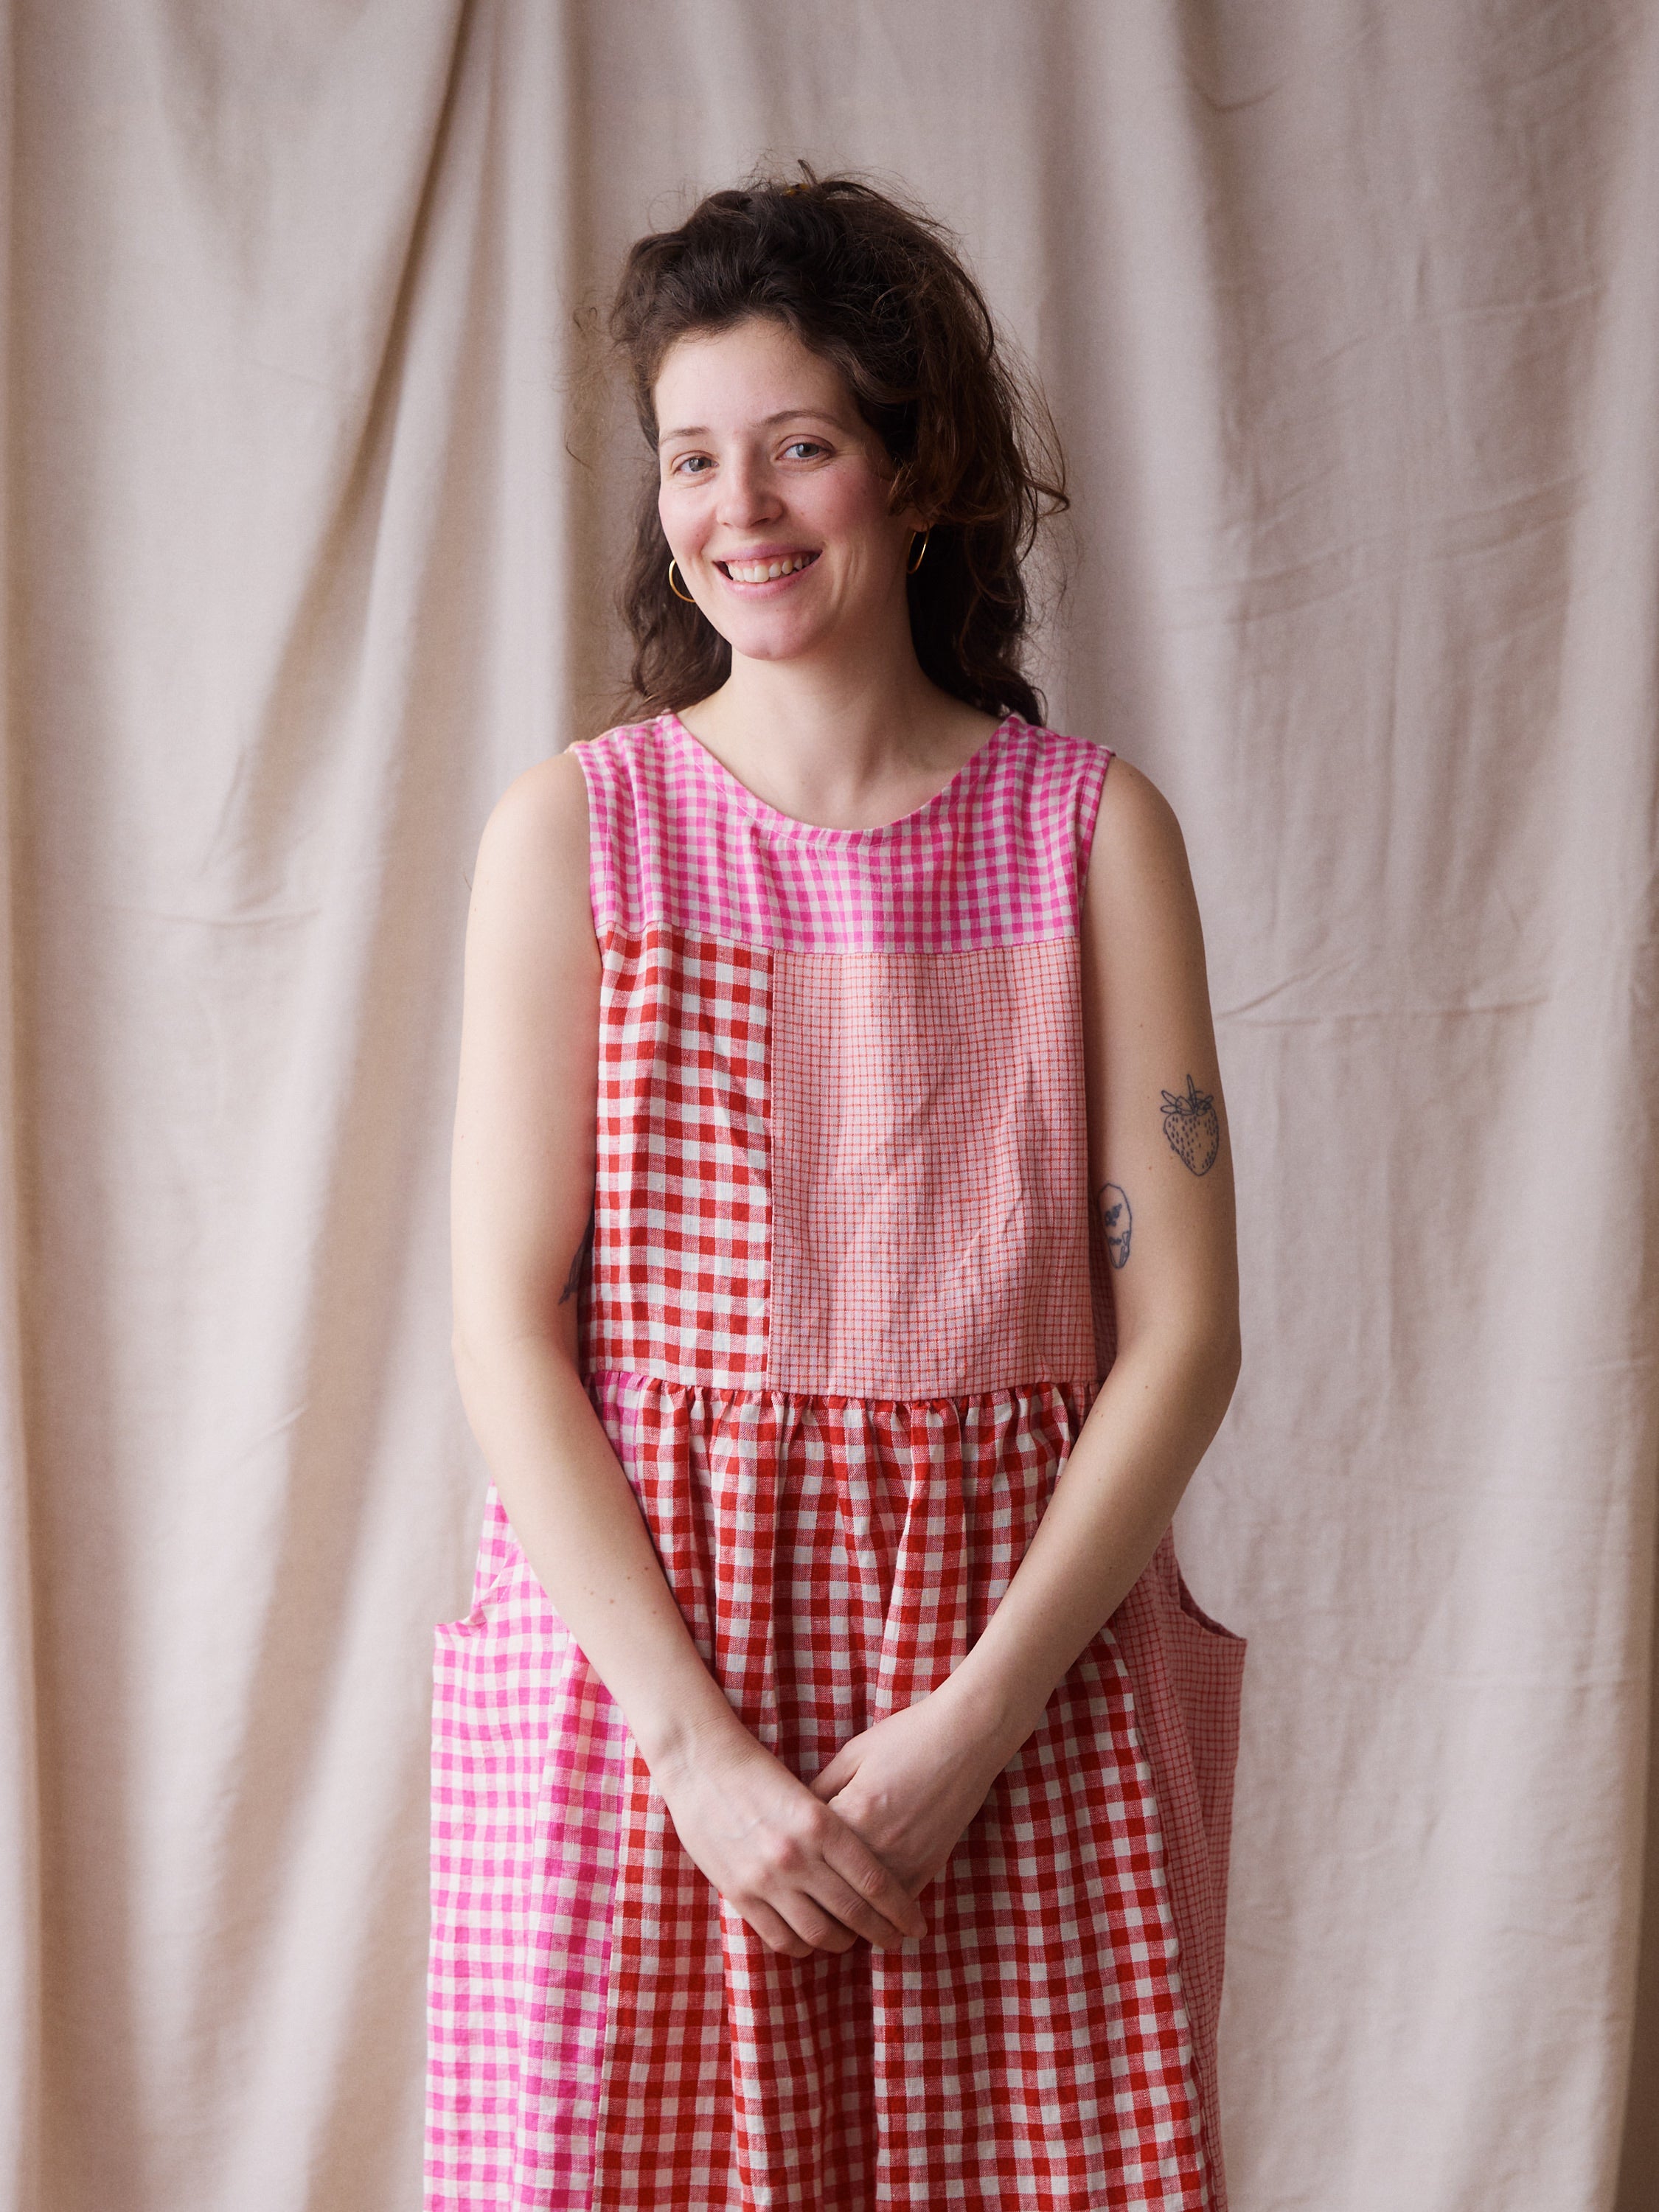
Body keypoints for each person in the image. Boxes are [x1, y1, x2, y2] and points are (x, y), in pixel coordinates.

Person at [428, 171, 1246, 2212]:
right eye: (691, 457)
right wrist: (696, 1754)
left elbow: (1182, 1338)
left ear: (919, 465)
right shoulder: (578, 833)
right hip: (651, 1697)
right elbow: (506, 1325)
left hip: (1011, 1690)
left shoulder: (1091, 836)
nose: (741, 509)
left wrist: (973, 1724)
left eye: (798, 444)